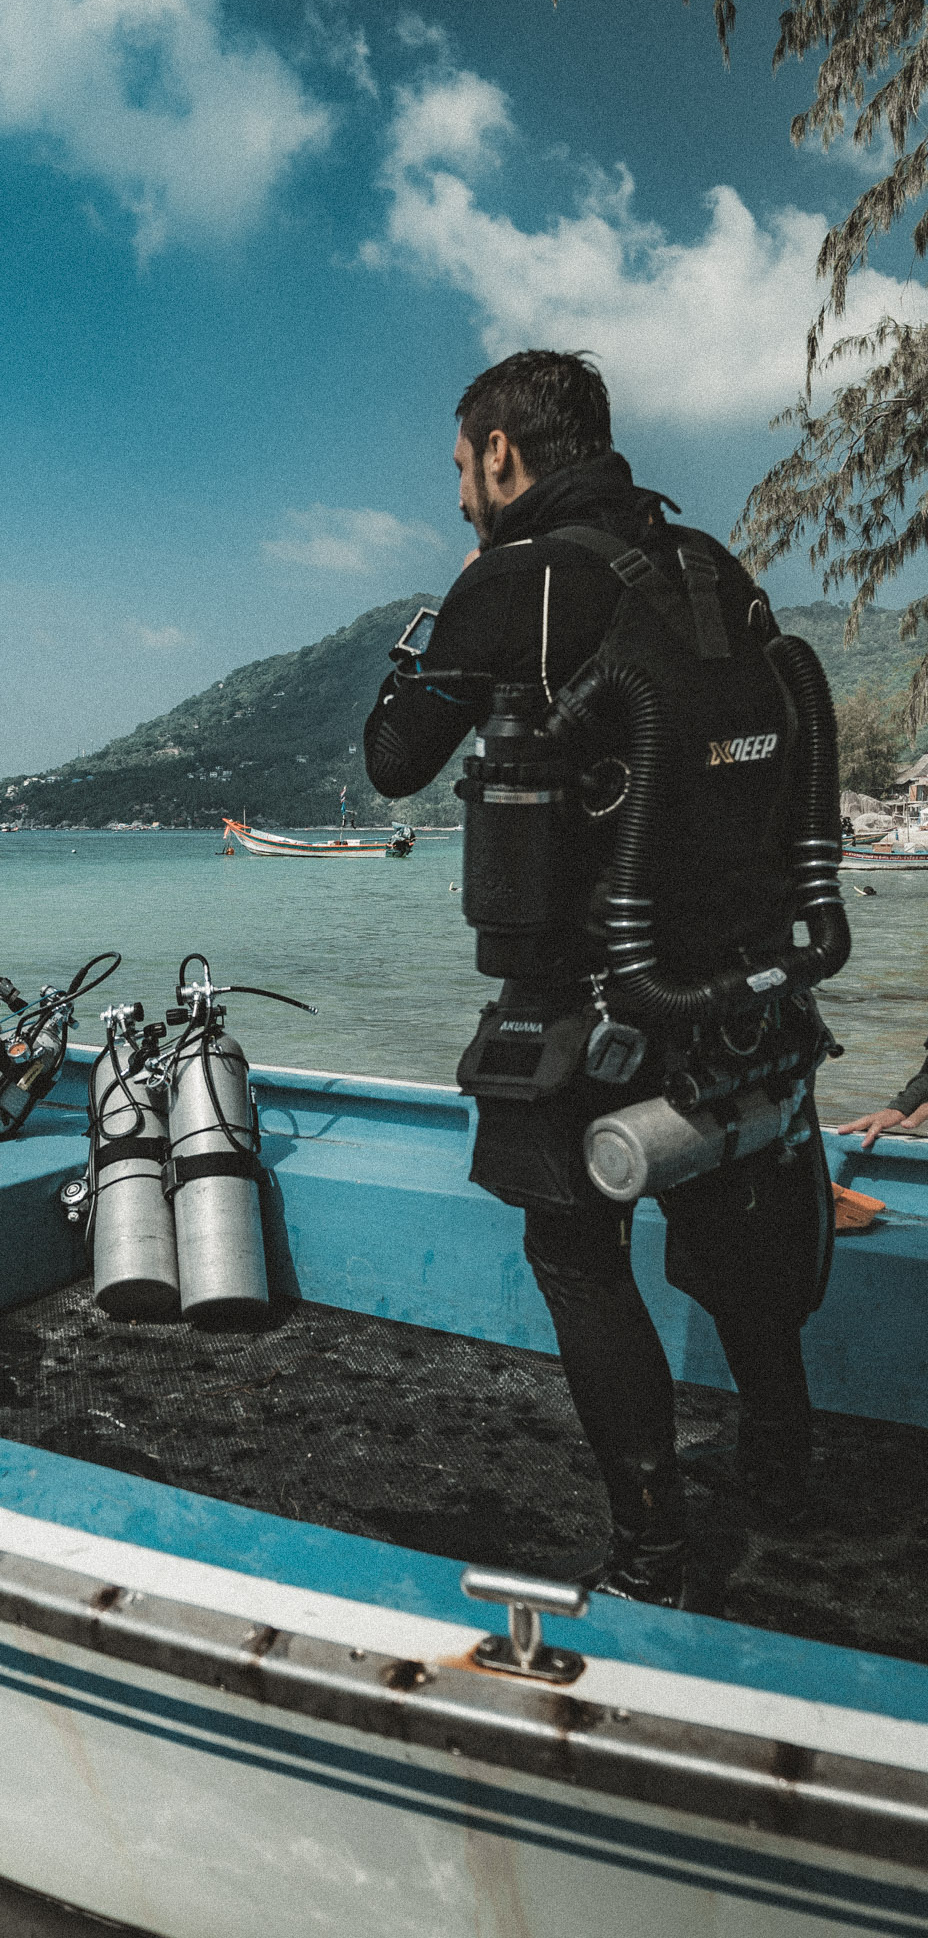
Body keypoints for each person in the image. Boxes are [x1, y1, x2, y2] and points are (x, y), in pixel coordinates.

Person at [364, 351, 839, 1607]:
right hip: (739, 989)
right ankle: (784, 1469)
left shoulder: (516, 578)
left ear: (503, 454)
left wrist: (446, 606)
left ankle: (648, 1556)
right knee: (734, 1227)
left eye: (462, 469)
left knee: (577, 1254)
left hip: (593, 1002)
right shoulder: (711, 572)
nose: (459, 494)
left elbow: (393, 759)